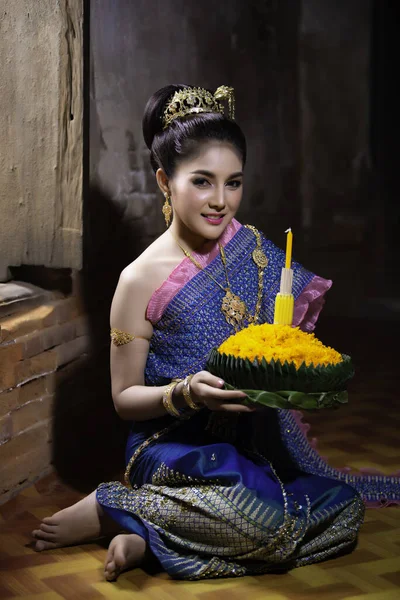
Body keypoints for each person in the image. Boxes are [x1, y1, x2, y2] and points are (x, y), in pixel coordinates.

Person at [32, 84, 399, 581]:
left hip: (247, 449)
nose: (221, 201)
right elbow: (124, 400)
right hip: (173, 451)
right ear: (165, 181)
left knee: (345, 509)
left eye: (234, 183)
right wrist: (188, 394)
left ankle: (143, 535)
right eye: (203, 182)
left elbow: (276, 348)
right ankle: (111, 504)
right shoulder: (139, 280)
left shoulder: (249, 247)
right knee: (269, 526)